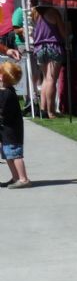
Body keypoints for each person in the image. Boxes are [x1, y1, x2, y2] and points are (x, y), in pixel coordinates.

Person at [31, 3, 67, 118]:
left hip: (39, 48)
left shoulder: (35, 12)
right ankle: (51, 112)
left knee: (46, 79)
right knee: (51, 79)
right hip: (53, 46)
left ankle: (43, 109)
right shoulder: (53, 12)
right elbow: (63, 33)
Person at [0, 58, 30, 186]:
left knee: (15, 156)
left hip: (12, 132)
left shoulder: (7, 94)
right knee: (9, 156)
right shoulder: (5, 91)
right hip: (6, 132)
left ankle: (23, 179)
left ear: (1, 77)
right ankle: (15, 177)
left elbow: (2, 112)